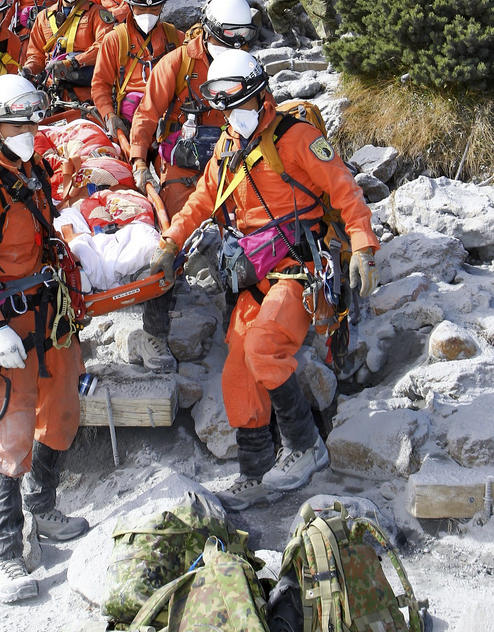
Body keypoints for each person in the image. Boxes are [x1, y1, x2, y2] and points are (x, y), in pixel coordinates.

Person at [150, 48, 379, 509]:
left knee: (263, 347)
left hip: (301, 269)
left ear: (259, 94)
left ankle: (305, 447)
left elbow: (344, 188)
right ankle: (255, 471)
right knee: (238, 368)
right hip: (256, 270)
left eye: (236, 103)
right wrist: (171, 242)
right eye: (222, 105)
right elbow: (202, 197)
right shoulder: (230, 143)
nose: (231, 114)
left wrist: (364, 245)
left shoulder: (298, 139)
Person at [0, 74, 88, 603]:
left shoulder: (32, 170)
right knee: (11, 430)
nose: (28, 131)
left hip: (49, 311)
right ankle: (4, 553)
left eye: (32, 121)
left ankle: (42, 503)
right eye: (17, 123)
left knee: (64, 408)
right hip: (7, 316)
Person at [129, 0, 257, 371]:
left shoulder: (247, 65)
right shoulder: (179, 63)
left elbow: (265, 112)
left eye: (241, 38)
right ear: (210, 31)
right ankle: (154, 331)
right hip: (183, 170)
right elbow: (147, 113)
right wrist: (139, 161)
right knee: (170, 240)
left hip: (232, 165)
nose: (234, 46)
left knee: (248, 237)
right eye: (227, 37)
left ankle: (245, 324)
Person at [91, 0, 182, 139]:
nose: (147, 15)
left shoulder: (175, 37)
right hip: (128, 122)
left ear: (162, 7)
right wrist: (109, 115)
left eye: (154, 9)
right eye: (140, 9)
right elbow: (100, 85)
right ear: (130, 6)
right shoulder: (115, 39)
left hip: (167, 122)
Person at [25, 0, 113, 105]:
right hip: (51, 97)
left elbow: (104, 46)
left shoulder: (97, 14)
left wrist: (74, 62)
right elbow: (36, 55)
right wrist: (28, 69)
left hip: (86, 97)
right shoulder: (43, 17)